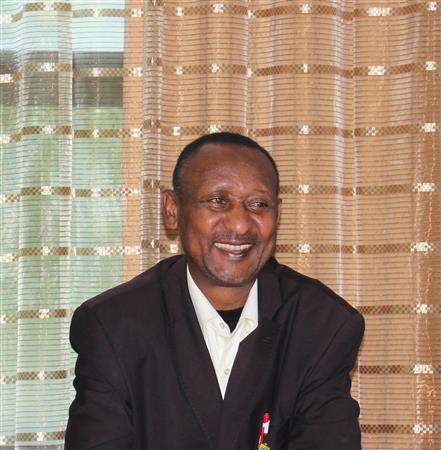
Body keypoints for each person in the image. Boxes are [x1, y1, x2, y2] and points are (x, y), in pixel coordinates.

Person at [65, 132, 364, 450]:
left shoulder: (322, 325)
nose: (239, 224)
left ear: (278, 214)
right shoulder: (114, 326)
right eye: (218, 201)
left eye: (258, 204)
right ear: (173, 210)